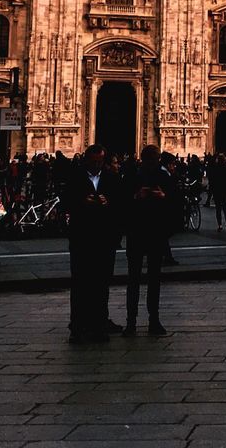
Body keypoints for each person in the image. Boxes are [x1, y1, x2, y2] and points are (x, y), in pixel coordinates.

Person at [65, 145, 122, 343]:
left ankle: (99, 325)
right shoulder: (75, 178)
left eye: (100, 162)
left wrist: (109, 203)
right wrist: (82, 202)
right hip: (82, 239)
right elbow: (65, 201)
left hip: (104, 240)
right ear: (86, 161)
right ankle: (78, 327)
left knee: (101, 285)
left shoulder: (112, 178)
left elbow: (121, 205)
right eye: (94, 162)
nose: (97, 165)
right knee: (80, 284)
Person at [123, 145, 172, 336]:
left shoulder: (163, 177)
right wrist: (137, 196)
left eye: (156, 158)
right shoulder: (132, 176)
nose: (155, 162)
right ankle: (133, 322)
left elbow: (174, 201)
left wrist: (163, 196)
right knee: (138, 279)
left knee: (148, 279)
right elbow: (123, 202)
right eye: (152, 158)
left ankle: (150, 320)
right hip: (139, 233)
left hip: (154, 233)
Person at [208, 154, 226, 232]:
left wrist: (211, 189)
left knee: (218, 208)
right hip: (225, 190)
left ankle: (220, 225)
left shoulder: (215, 168)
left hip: (217, 190)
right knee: (225, 208)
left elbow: (212, 179)